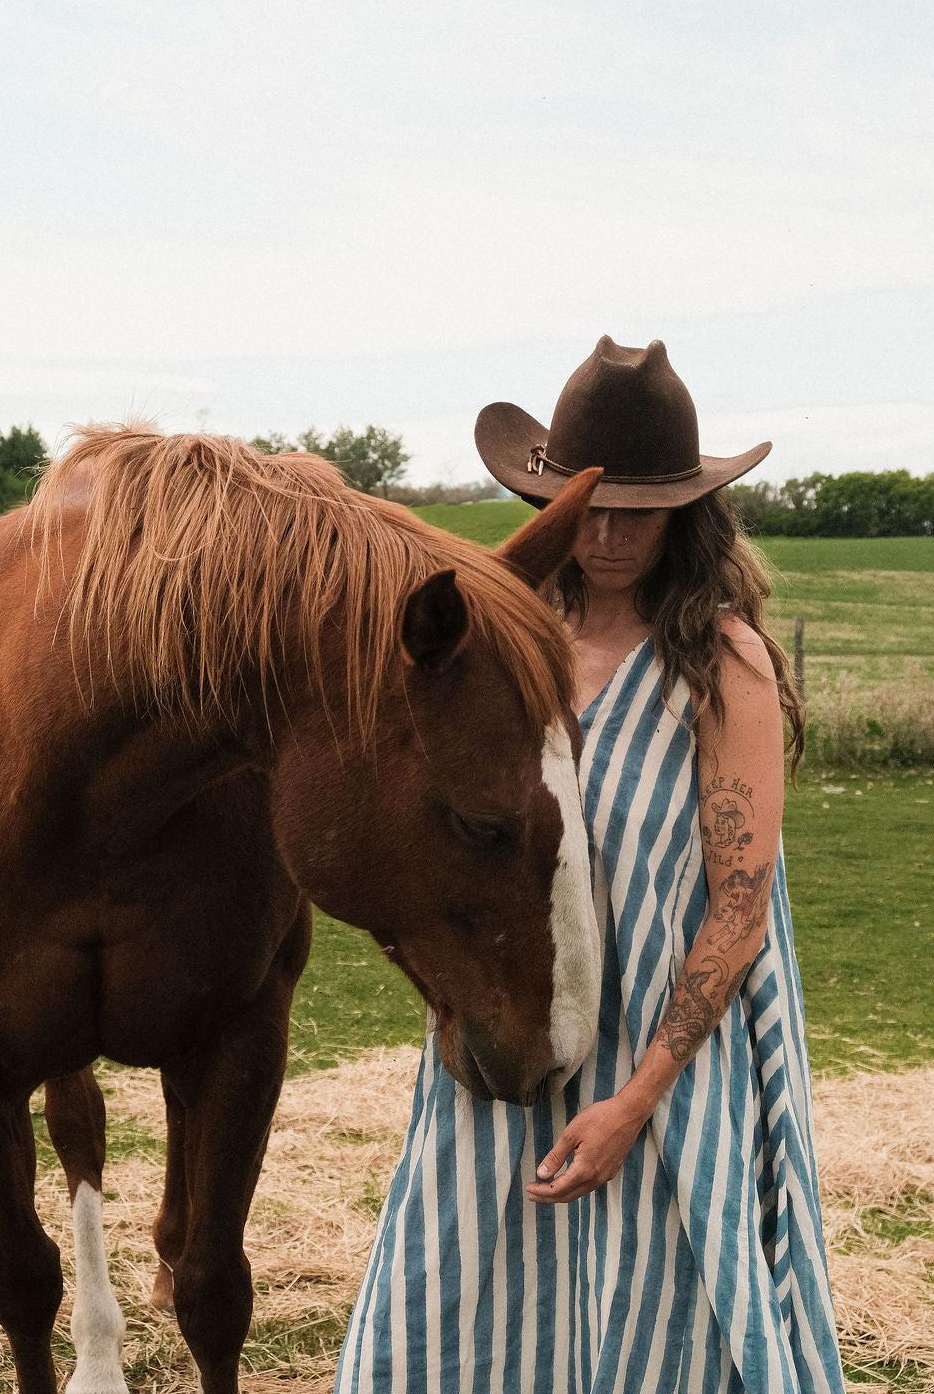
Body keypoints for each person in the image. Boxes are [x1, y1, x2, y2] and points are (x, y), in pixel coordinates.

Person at [334, 336, 846, 1393]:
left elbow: (738, 912)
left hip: (662, 1061)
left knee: (653, 1311)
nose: (609, 537)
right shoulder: (508, 645)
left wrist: (634, 1101)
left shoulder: (719, 659)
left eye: (639, 514)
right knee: (463, 1293)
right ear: (553, 505)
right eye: (592, 509)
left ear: (683, 516)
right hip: (513, 1022)